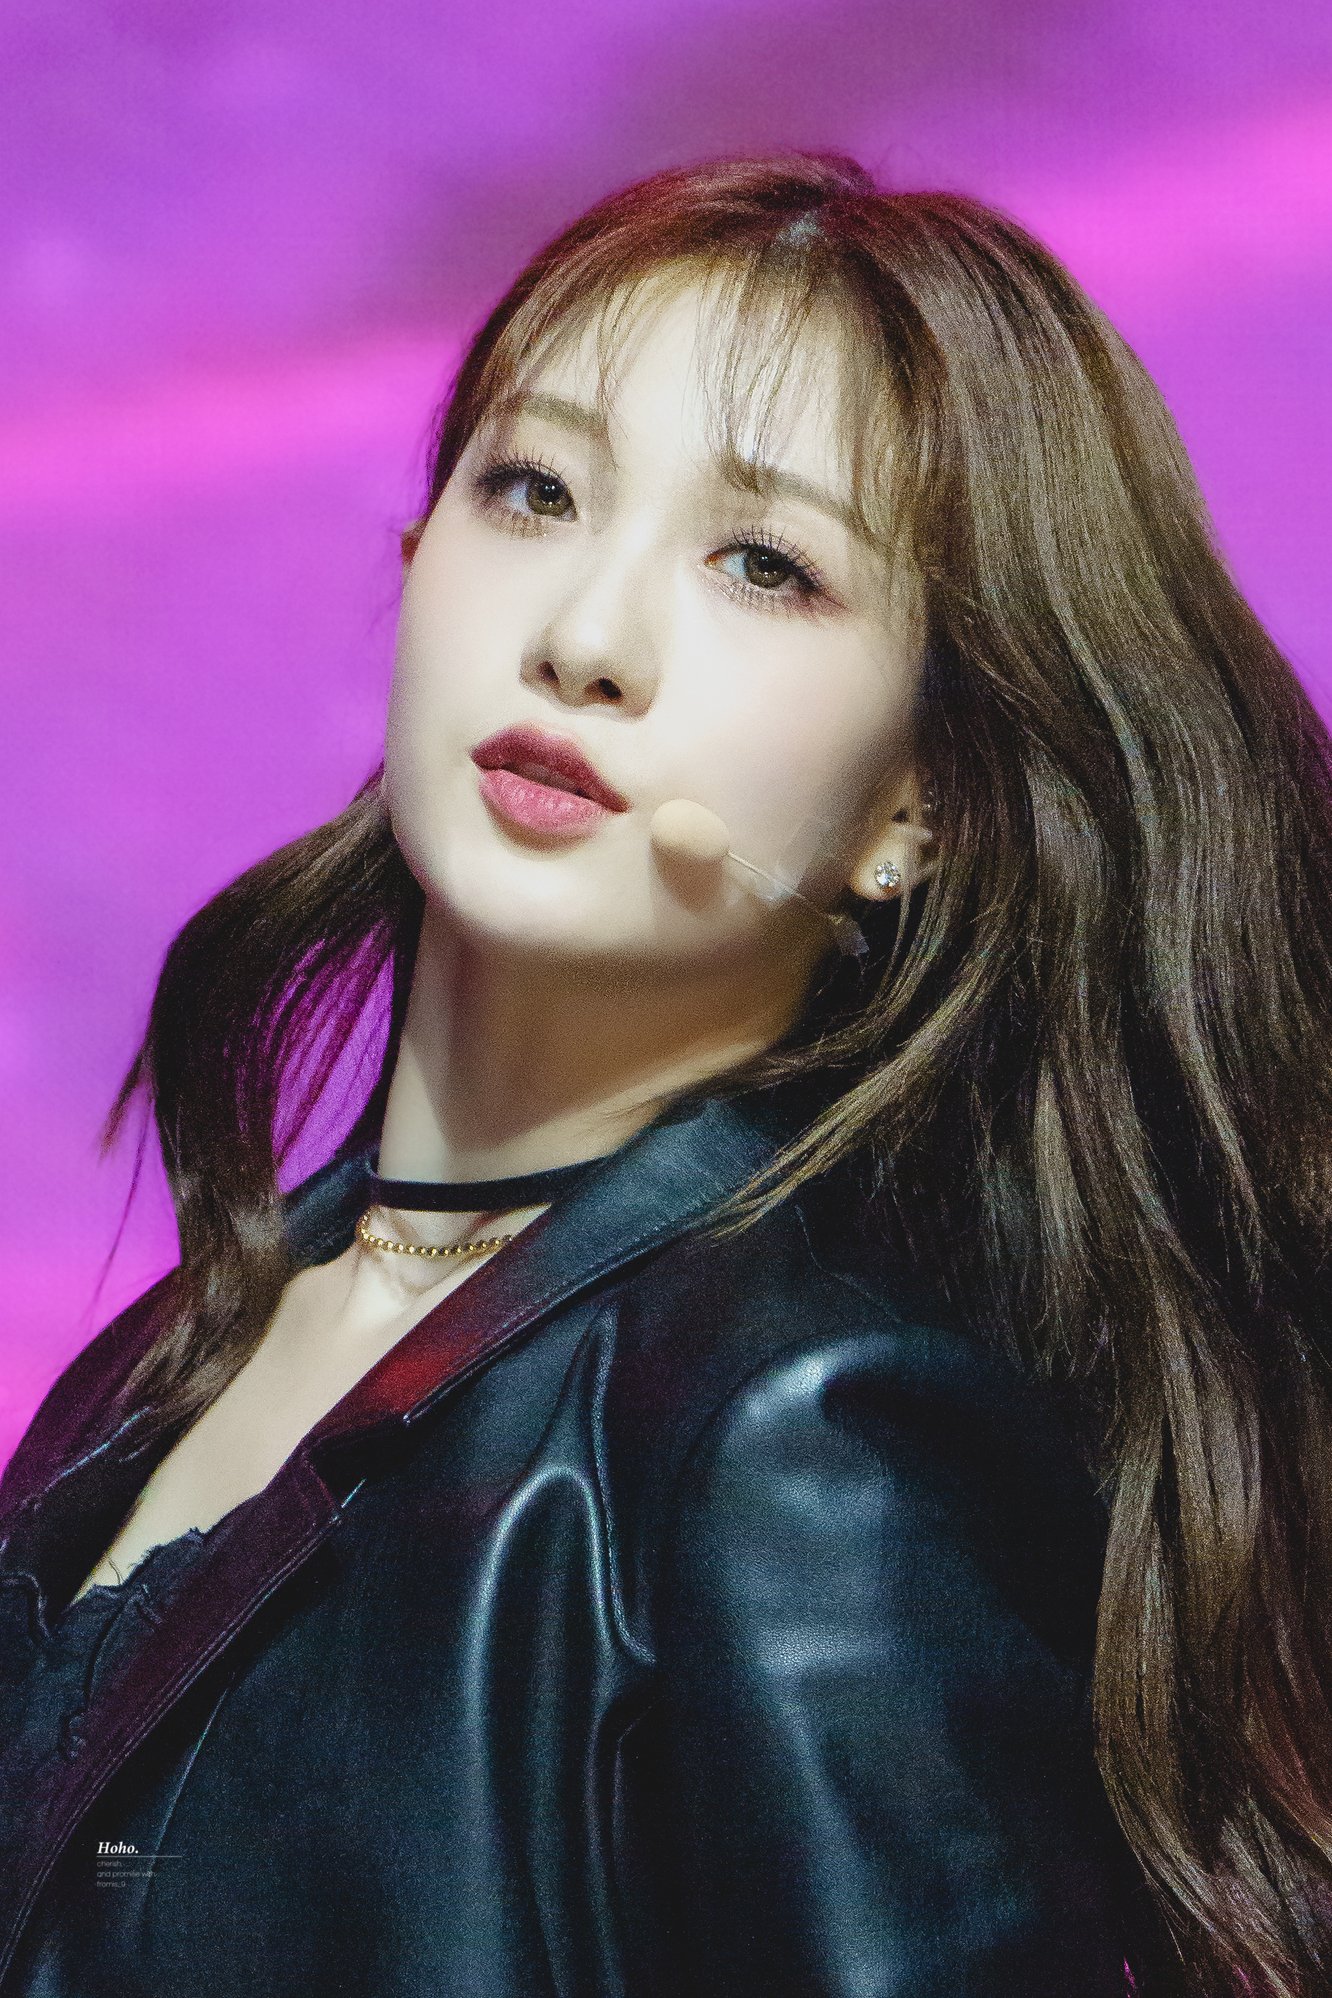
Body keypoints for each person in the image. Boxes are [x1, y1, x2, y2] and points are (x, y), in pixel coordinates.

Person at [1, 150, 1329, 1998]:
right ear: (415, 564)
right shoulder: (182, 1349)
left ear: (918, 805)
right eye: (534, 490)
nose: (587, 639)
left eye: (765, 565)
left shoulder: (797, 1435)